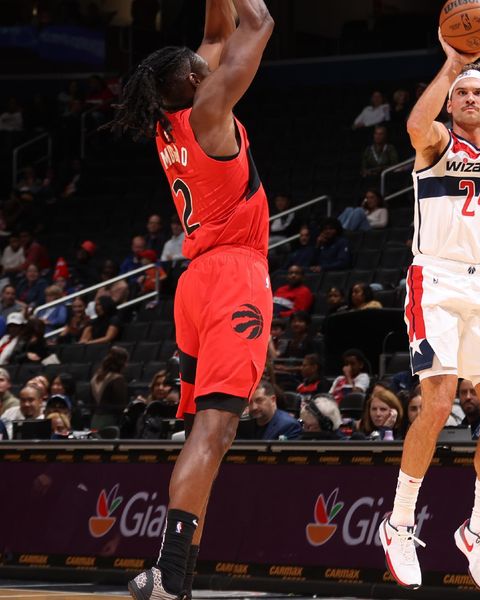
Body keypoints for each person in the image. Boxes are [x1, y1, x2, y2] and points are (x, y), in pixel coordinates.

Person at [106, 1, 275, 598]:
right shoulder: (209, 110)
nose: (215, 63)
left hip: (195, 281)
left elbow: (214, 31)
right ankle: (169, 571)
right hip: (234, 273)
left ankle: (178, 573)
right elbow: (257, 24)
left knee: (208, 433)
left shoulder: (169, 119)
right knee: (213, 431)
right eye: (206, 67)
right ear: (197, 82)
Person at [381, 3, 480, 594]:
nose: (471, 98)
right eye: (463, 93)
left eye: (479, 91)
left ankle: (477, 531)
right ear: (452, 102)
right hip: (436, 280)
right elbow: (412, 125)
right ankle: (399, 523)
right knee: (440, 397)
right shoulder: (436, 143)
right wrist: (451, 65)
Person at [89, 346, 129, 430]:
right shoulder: (118, 379)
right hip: (110, 422)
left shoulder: (95, 378)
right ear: (121, 363)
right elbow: (121, 405)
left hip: (95, 420)